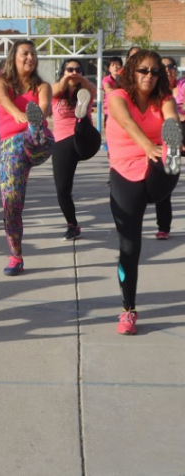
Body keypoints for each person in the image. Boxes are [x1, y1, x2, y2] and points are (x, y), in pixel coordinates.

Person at [105, 49, 182, 335]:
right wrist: (147, 145)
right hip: (124, 172)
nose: (150, 76)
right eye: (144, 70)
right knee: (129, 247)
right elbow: (127, 122)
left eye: (155, 72)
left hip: (156, 169)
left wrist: (171, 132)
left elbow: (171, 117)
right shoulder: (117, 96)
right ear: (131, 72)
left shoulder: (164, 99)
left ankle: (172, 157)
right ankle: (128, 310)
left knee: (167, 157)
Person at [0, 39, 55, 276]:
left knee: (34, 135)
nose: (30, 58)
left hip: (38, 142)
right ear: (13, 57)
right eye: (25, 54)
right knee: (11, 203)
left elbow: (45, 105)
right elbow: (2, 99)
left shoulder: (42, 86)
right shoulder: (0, 82)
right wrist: (17, 113)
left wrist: (37, 117)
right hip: (11, 146)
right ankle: (16, 256)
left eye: (33, 54)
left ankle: (35, 129)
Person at [50, 59, 102, 240]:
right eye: (70, 69)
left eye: (78, 69)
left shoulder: (87, 90)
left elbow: (92, 89)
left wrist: (80, 80)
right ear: (62, 72)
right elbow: (55, 89)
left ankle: (81, 115)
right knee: (62, 188)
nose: (74, 72)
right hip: (63, 141)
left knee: (81, 124)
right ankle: (72, 225)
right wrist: (66, 79)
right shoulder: (55, 91)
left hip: (86, 139)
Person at [152, 56, 185, 240]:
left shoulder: (182, 85)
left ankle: (174, 140)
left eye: (171, 66)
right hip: (164, 135)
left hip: (180, 127)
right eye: (163, 67)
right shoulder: (155, 91)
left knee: (175, 123)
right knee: (165, 180)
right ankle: (163, 227)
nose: (167, 69)